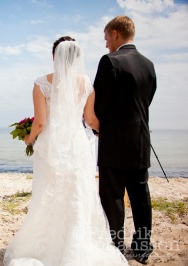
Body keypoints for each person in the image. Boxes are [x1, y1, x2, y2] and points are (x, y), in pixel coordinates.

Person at [3, 37, 127, 265]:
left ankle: (48, 246)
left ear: (54, 56)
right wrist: (110, 130)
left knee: (47, 195)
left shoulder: (42, 83)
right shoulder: (87, 83)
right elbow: (90, 120)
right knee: (78, 195)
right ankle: (76, 246)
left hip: (50, 148)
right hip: (78, 147)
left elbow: (40, 123)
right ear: (77, 59)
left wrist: (29, 138)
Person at [92, 15, 157, 264]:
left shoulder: (110, 61)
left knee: (113, 197)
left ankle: (115, 247)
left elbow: (99, 105)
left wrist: (99, 127)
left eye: (106, 37)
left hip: (114, 142)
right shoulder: (149, 64)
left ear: (116, 33)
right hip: (141, 140)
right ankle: (142, 248)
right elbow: (147, 99)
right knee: (141, 195)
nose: (106, 43)